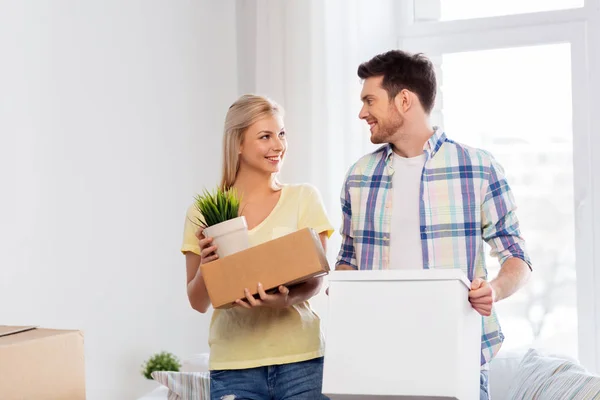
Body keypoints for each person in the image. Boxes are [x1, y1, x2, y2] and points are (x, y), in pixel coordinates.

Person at [335, 50, 532, 399]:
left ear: (405, 100)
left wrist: (495, 290)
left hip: (455, 355)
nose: (362, 112)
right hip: (376, 357)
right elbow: (347, 260)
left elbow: (516, 256)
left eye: (370, 100)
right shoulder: (358, 177)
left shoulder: (478, 167)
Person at [181, 94, 333, 400]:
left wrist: (287, 299)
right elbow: (198, 302)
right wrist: (208, 269)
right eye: (265, 136)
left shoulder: (303, 197)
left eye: (281, 134)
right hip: (235, 366)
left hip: (300, 360)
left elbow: (319, 278)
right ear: (237, 143)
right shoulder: (205, 212)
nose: (278, 146)